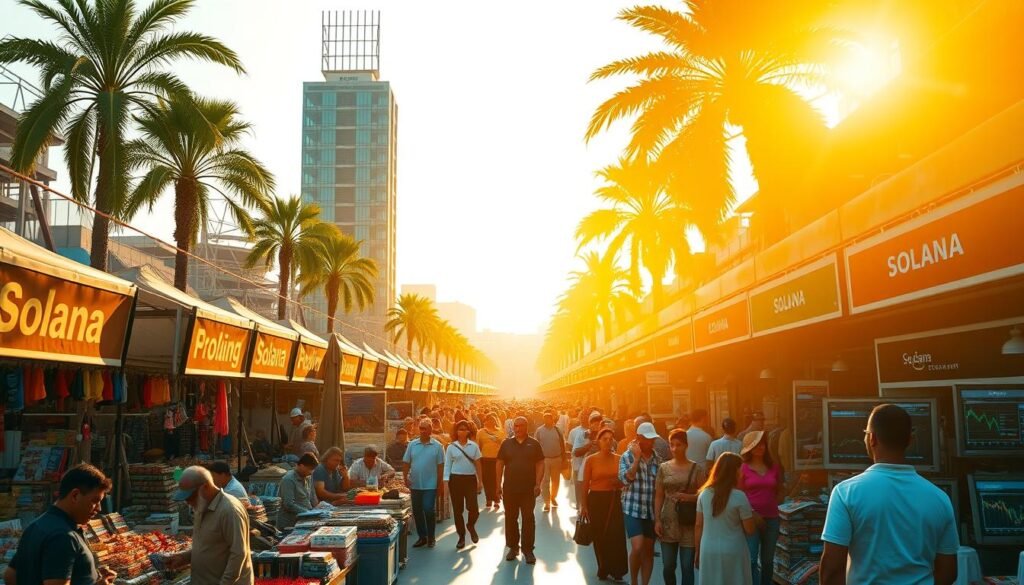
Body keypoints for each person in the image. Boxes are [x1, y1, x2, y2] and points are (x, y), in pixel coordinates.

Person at [819, 404, 958, 585]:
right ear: (910, 440)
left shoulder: (846, 493)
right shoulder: (940, 498)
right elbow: (949, 571)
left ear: (872, 438)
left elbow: (831, 569)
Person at [6, 464, 116, 585]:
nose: (99, 508)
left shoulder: (36, 525)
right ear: (75, 495)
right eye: (95, 501)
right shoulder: (64, 536)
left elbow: (11, 575)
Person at [172, 466, 253, 585]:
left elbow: (239, 554)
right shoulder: (201, 507)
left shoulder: (229, 510)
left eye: (190, 497)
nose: (188, 502)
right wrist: (184, 557)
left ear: (205, 487)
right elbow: (207, 545)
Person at [655, 429, 707, 585]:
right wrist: (656, 519)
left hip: (688, 522)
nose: (675, 448)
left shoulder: (696, 468)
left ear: (686, 445)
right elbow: (658, 495)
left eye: (679, 445)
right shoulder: (663, 468)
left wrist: (688, 497)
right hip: (667, 521)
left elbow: (704, 495)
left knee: (686, 567)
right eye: (672, 445)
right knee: (668, 566)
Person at [695, 452, 755, 585]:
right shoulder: (740, 496)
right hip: (734, 551)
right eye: (741, 470)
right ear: (734, 472)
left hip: (708, 550)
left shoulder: (704, 494)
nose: (743, 474)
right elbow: (750, 530)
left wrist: (697, 552)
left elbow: (699, 525)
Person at [580, 427, 628, 581]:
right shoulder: (591, 460)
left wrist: (618, 482)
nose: (608, 442)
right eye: (604, 439)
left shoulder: (619, 458)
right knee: (599, 534)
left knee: (616, 534)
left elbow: (625, 481)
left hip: (614, 499)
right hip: (596, 500)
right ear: (599, 441)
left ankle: (618, 570)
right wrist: (584, 506)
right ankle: (603, 566)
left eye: (610, 439)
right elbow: (585, 484)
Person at [495, 416, 545, 564]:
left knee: (528, 518)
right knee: (511, 518)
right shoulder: (506, 444)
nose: (518, 429)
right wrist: (497, 485)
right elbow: (499, 463)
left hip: (528, 489)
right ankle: (513, 547)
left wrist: (538, 483)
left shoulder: (534, 444)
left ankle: (528, 550)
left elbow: (540, 463)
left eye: (521, 426)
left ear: (526, 427)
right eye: (516, 426)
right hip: (510, 488)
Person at [738, 430, 784, 585]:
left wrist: (774, 503)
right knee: (751, 559)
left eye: (762, 444)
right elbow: (739, 494)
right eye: (756, 445)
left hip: (772, 518)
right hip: (750, 519)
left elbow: (779, 490)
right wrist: (751, 512)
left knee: (767, 560)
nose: (760, 448)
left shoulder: (774, 467)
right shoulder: (743, 468)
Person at [619, 421, 661, 585]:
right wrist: (636, 460)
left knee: (649, 551)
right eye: (647, 439)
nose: (650, 443)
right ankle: (634, 581)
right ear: (638, 438)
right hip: (633, 508)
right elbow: (625, 479)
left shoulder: (657, 459)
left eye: (652, 440)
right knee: (637, 546)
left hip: (650, 510)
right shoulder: (627, 456)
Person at [405, 418, 445, 548]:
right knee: (417, 511)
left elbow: (440, 466)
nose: (422, 431)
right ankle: (422, 536)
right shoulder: (412, 444)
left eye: (424, 428)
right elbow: (406, 462)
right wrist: (406, 477)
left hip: (430, 484)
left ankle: (431, 537)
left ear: (430, 430)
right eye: (420, 428)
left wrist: (440, 484)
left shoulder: (438, 446)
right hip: (415, 483)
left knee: (428, 509)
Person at [444, 420, 484, 549]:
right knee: (458, 510)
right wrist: (446, 481)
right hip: (455, 479)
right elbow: (447, 465)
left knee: (474, 508)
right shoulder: (451, 447)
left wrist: (480, 481)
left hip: (470, 480)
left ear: (469, 431)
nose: (462, 431)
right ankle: (461, 536)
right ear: (456, 431)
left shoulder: (474, 446)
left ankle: (471, 525)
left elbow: (478, 464)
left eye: (464, 429)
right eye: (459, 429)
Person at [534, 411, 566, 511]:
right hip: (545, 460)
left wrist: (564, 458)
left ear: (552, 419)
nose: (547, 421)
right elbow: (536, 444)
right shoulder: (539, 430)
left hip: (557, 458)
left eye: (549, 419)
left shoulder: (557, 430)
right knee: (545, 481)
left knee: (556, 480)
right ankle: (547, 502)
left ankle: (553, 497)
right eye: (545, 419)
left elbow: (562, 444)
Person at [573, 411, 604, 510]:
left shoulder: (605, 435)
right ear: (589, 424)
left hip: (602, 472)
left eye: (598, 422)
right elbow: (576, 452)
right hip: (586, 471)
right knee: (585, 495)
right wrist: (588, 446)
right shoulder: (583, 435)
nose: (596, 425)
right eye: (593, 422)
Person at [278, 453, 317, 528]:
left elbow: (312, 495)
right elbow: (288, 504)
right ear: (302, 466)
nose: (311, 472)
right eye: (310, 469)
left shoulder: (307, 477)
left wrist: (317, 509)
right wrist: (307, 512)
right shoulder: (288, 480)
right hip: (290, 523)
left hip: (304, 520)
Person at [477, 414, 505, 509]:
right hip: (485, 458)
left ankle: (497, 499)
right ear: (486, 421)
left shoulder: (500, 432)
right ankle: (488, 498)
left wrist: (497, 441)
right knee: (486, 479)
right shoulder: (481, 432)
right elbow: (478, 445)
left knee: (497, 478)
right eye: (489, 419)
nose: (491, 421)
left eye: (493, 419)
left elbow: (504, 445)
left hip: (497, 459)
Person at [567, 409, 588, 507]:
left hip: (589, 466)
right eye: (582, 417)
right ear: (579, 418)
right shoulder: (574, 432)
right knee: (578, 487)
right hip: (577, 465)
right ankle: (580, 506)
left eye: (586, 417)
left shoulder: (594, 431)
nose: (584, 419)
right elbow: (570, 446)